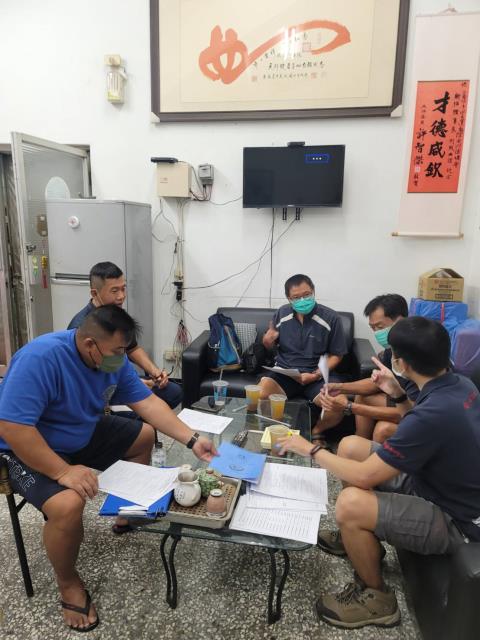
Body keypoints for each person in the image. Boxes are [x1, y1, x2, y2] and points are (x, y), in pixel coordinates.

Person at [0, 305, 216, 632]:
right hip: (25, 446)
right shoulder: (40, 359)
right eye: (117, 351)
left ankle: (126, 513)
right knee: (67, 504)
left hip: (79, 431)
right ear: (90, 344)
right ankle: (68, 583)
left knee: (143, 435)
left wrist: (192, 439)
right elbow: (13, 427)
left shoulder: (112, 359)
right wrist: (63, 472)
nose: (122, 358)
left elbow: (147, 403)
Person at [279, 317, 480, 629]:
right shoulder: (459, 384)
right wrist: (397, 394)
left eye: (393, 355)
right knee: (349, 446)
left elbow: (364, 476)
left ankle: (378, 599)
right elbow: (417, 425)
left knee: (349, 504)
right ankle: (358, 539)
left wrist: (310, 449)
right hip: (435, 481)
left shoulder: (436, 412)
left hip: (458, 519)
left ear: (401, 363)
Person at [68, 261, 182, 409]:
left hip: (120, 378)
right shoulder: (81, 327)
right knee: (149, 406)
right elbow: (89, 376)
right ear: (95, 293)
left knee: (173, 392)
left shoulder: (114, 313)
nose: (121, 296)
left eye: (123, 289)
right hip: (96, 388)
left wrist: (155, 372)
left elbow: (132, 348)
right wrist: (135, 383)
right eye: (114, 291)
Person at [316, 294, 419, 442]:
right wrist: (340, 387)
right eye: (373, 328)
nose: (377, 333)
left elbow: (409, 411)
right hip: (404, 401)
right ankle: (360, 441)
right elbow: (376, 383)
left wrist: (349, 406)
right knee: (362, 397)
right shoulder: (392, 349)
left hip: (421, 414)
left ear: (401, 320)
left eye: (380, 327)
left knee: (383, 429)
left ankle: (368, 452)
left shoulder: (416, 354)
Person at [259, 274, 348, 444]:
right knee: (261, 392)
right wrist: (267, 341)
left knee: (339, 403)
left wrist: (316, 375)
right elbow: (270, 345)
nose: (302, 300)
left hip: (317, 375)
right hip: (286, 373)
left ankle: (317, 431)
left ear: (313, 292)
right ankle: (277, 430)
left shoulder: (331, 318)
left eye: (306, 295)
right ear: (288, 299)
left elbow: (337, 355)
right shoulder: (282, 313)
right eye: (296, 297)